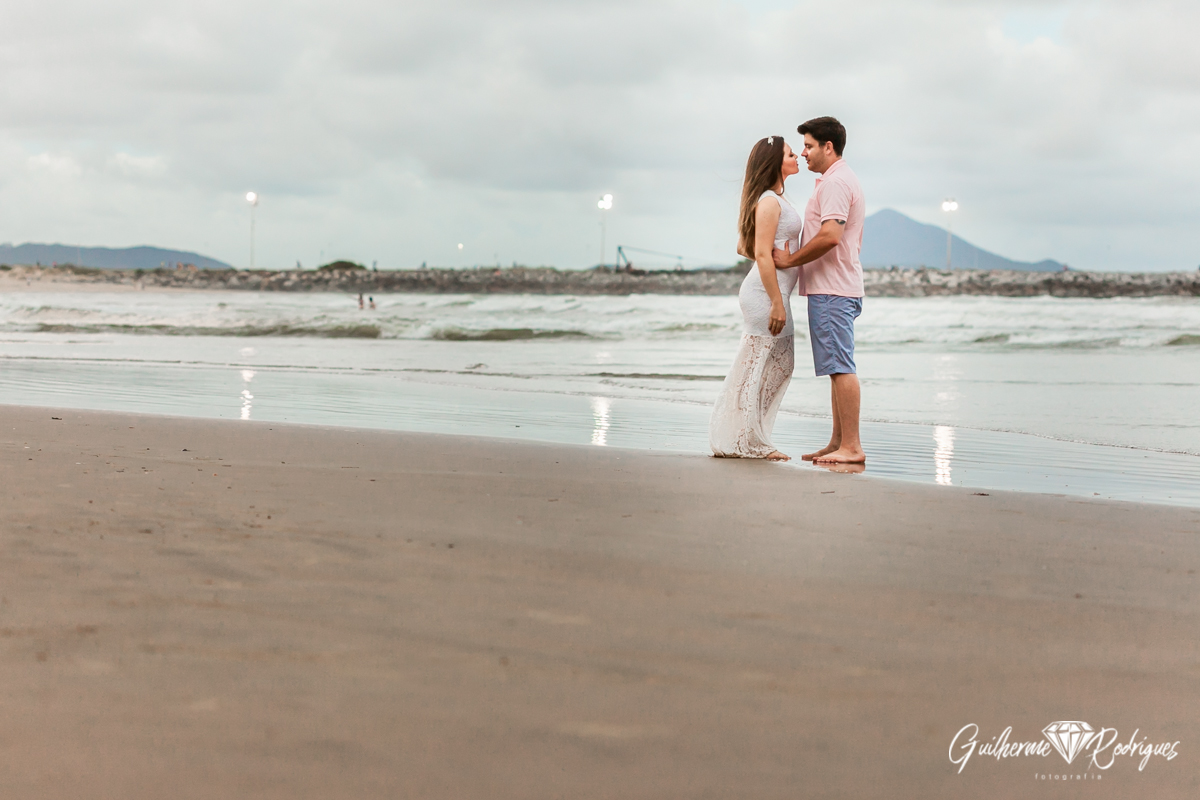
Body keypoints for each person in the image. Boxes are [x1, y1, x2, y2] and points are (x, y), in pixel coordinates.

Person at [773, 116, 866, 464]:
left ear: (829, 147)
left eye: (809, 146)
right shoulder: (834, 180)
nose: (804, 152)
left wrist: (791, 260)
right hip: (835, 287)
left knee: (841, 366)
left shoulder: (837, 183)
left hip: (833, 288)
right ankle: (838, 441)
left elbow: (830, 236)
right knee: (835, 367)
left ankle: (852, 447)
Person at [710, 136, 802, 460]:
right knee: (759, 367)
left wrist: (777, 257)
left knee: (780, 365)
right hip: (765, 295)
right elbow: (759, 254)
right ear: (776, 162)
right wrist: (777, 301)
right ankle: (751, 443)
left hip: (774, 293)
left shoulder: (774, 199)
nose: (797, 156)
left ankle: (749, 437)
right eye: (791, 153)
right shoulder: (769, 202)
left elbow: (745, 246)